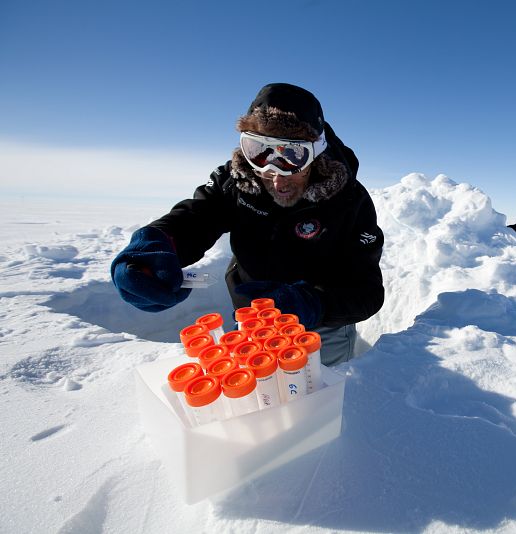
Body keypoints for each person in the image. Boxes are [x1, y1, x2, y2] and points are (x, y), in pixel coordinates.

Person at [110, 83, 384, 366]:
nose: (275, 175)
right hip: (252, 321)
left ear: (316, 152)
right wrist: (156, 243)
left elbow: (366, 291)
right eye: (260, 152)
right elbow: (196, 217)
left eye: (292, 155)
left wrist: (311, 303)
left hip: (320, 330)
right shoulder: (238, 181)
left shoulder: (349, 200)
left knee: (322, 402)